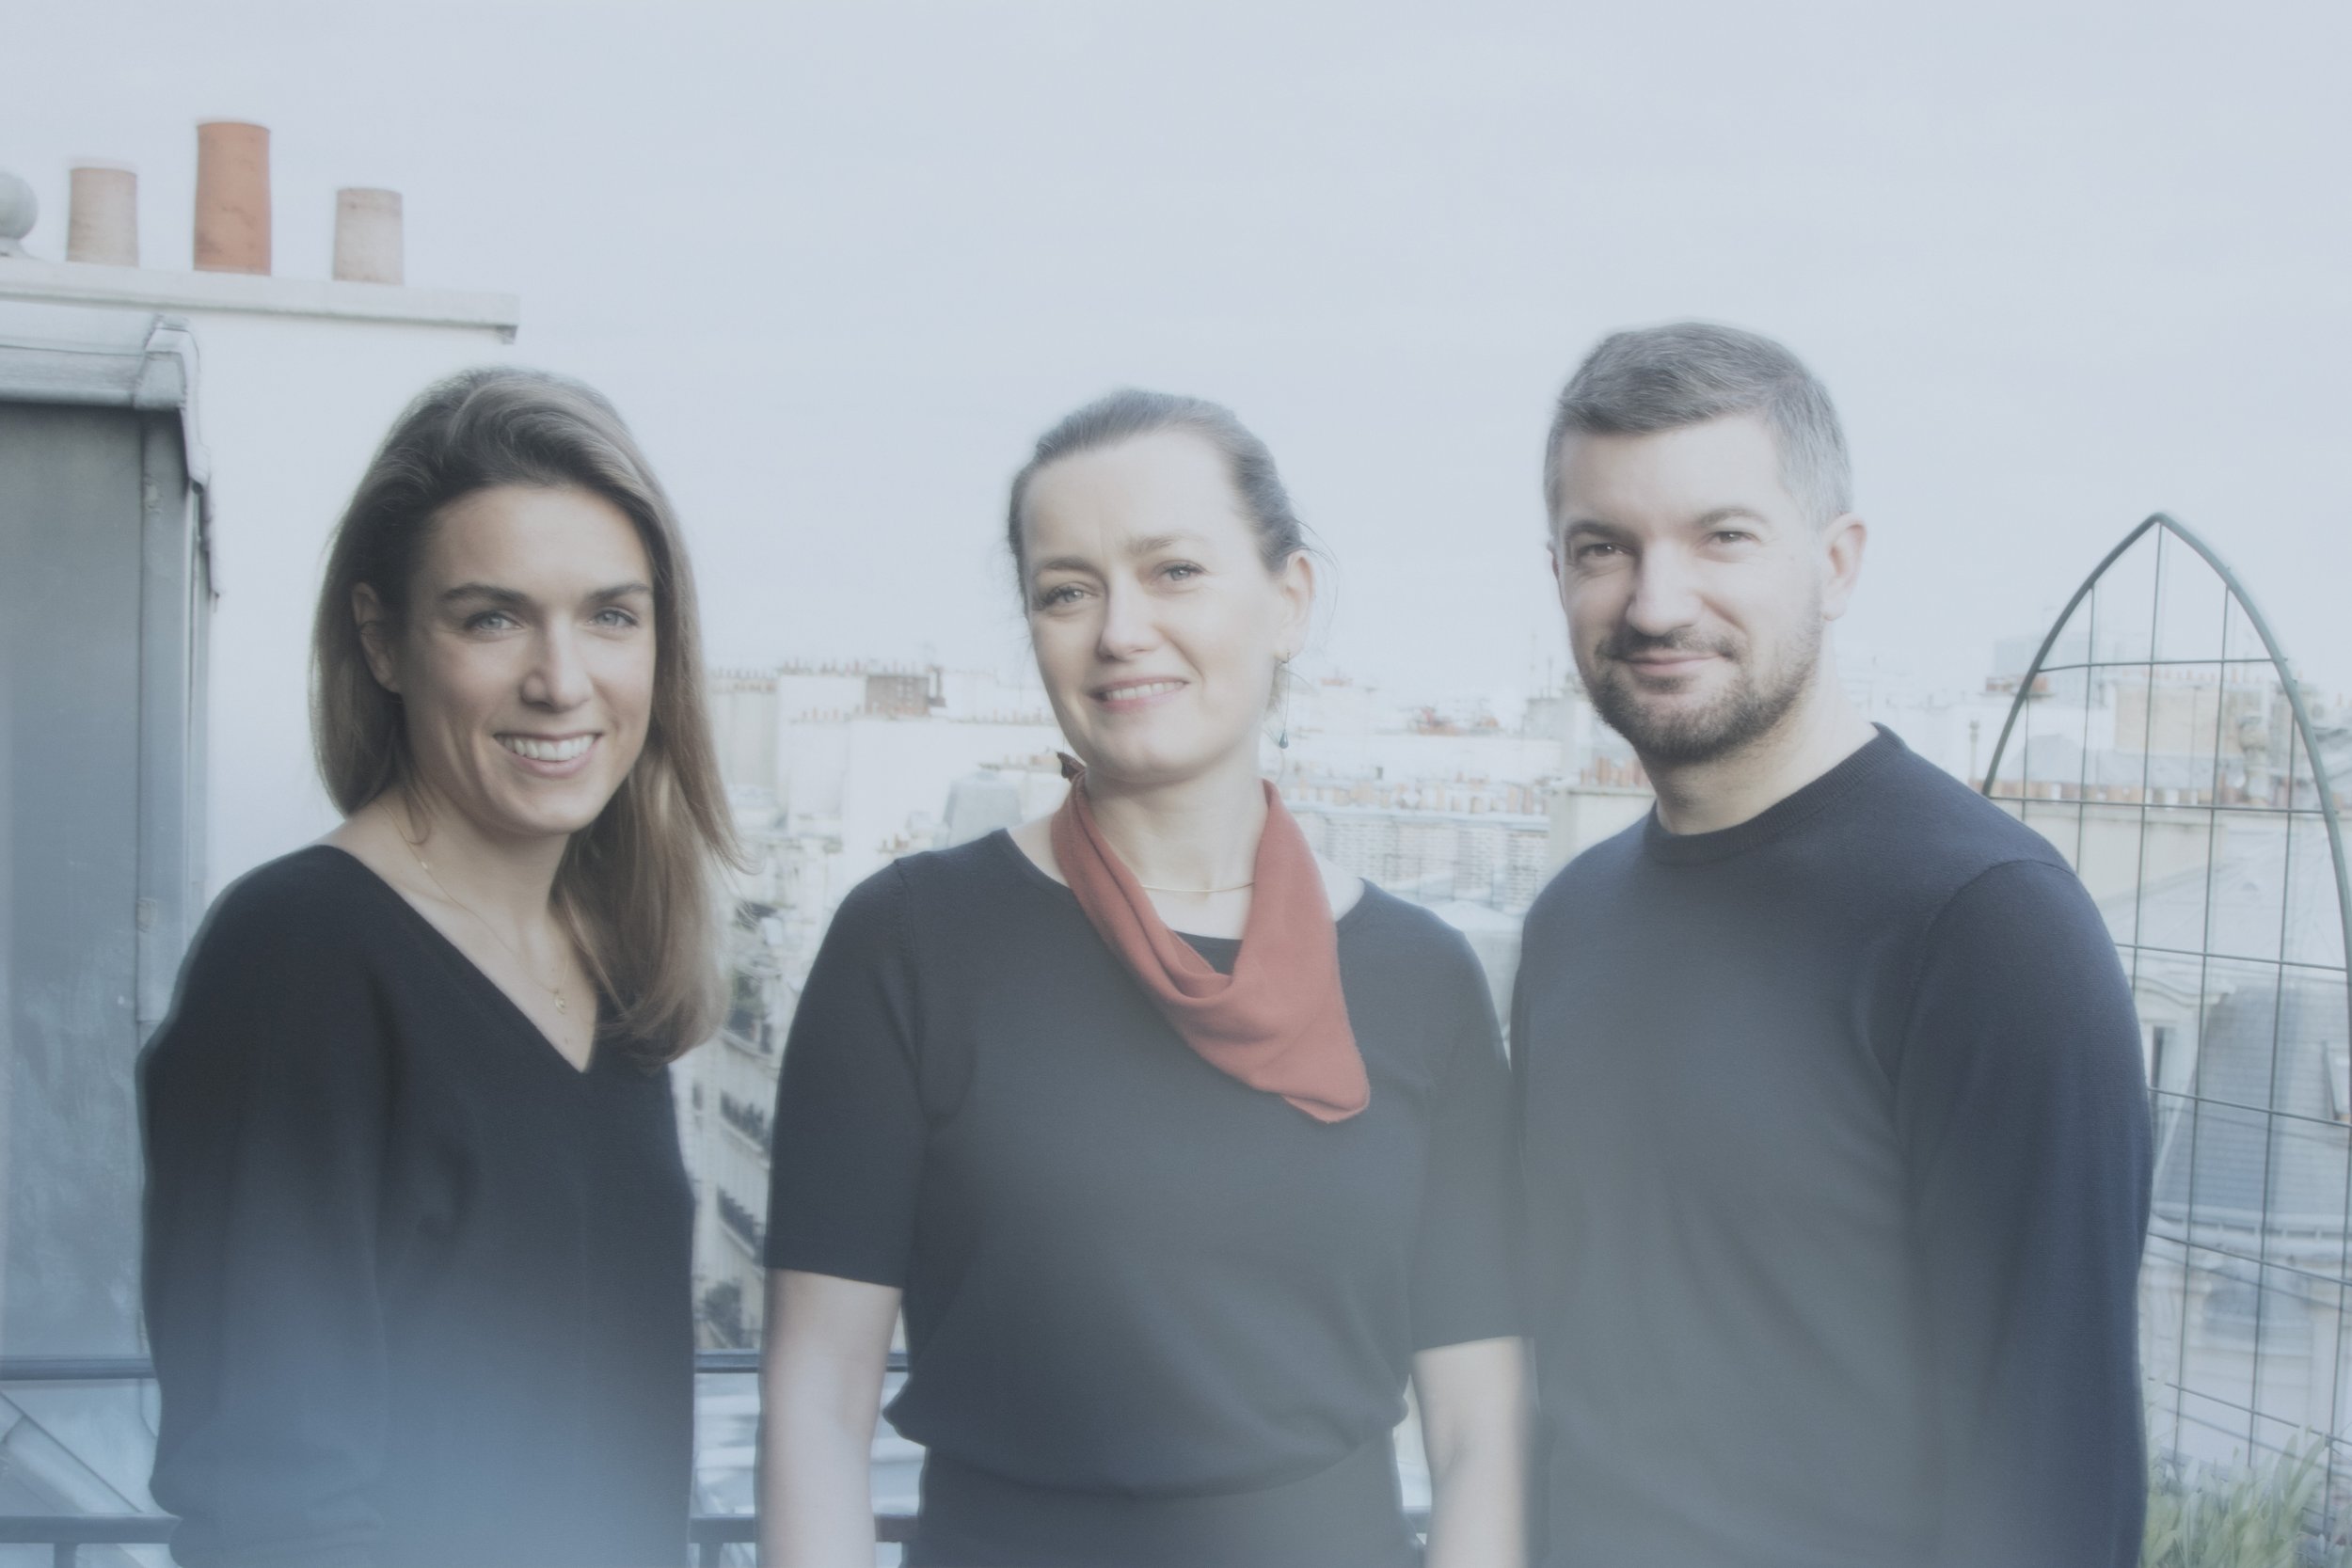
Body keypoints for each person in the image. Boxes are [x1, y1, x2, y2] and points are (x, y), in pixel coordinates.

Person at [757, 389, 1526, 1568]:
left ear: (1288, 601)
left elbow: (1479, 1425)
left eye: (1173, 571)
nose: (1120, 630)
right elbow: (817, 1394)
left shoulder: (1423, 977)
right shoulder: (910, 941)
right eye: (1066, 590)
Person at [1514, 322, 2153, 1567]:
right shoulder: (1570, 921)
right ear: (1559, 573)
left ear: (1837, 560)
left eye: (1722, 536)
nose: (1655, 600)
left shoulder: (1988, 928)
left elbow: (2054, 1483)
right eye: (1605, 547)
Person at [140, 367, 737, 1568]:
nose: (561, 680)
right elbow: (275, 1500)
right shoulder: (297, 957)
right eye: (492, 617)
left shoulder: (612, 965)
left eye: (611, 615)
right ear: (383, 640)